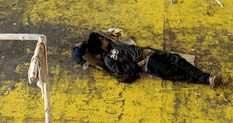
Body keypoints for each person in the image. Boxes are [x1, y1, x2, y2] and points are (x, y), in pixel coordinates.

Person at [76, 32, 219, 88]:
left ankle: (207, 77)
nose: (104, 38)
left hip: (151, 53)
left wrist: (148, 51)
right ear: (100, 46)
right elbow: (126, 71)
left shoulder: (113, 43)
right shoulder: (109, 61)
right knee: (177, 73)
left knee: (178, 60)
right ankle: (207, 80)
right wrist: (142, 63)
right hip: (149, 63)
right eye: (101, 40)